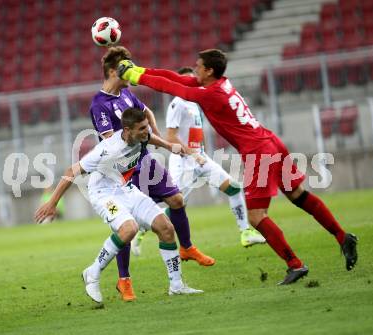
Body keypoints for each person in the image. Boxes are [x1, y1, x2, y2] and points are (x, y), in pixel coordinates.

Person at [117, 50, 358, 285]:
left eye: (199, 65)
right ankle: (342, 236)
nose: (195, 68)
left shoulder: (211, 94)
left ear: (209, 70)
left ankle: (295, 264)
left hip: (258, 151)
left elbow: (173, 88)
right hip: (270, 141)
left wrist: (134, 77)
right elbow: (178, 78)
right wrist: (137, 70)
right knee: (298, 195)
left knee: (256, 216)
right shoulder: (221, 84)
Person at [34, 108, 203, 308]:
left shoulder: (141, 135)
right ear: (127, 130)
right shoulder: (107, 149)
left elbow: (150, 138)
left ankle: (176, 286)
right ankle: (93, 271)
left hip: (125, 189)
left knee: (166, 227)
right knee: (129, 229)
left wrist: (169, 146)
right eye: (141, 129)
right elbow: (71, 171)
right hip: (103, 194)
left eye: (146, 127)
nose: (145, 132)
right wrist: (52, 203)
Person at [88, 46, 214, 302]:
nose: (131, 72)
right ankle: (124, 280)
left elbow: (146, 114)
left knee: (176, 200)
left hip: (145, 160)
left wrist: (161, 140)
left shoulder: (126, 94)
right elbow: (113, 145)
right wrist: (155, 142)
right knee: (127, 227)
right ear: (113, 71)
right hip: (124, 170)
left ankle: (186, 251)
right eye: (126, 68)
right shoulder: (99, 105)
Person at [131, 67, 265, 256]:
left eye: (191, 80)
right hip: (184, 162)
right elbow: (171, 137)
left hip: (201, 159)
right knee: (176, 204)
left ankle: (245, 232)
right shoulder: (177, 105)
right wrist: (194, 155)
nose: (190, 84)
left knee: (234, 187)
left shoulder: (195, 103)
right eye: (185, 81)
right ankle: (141, 229)